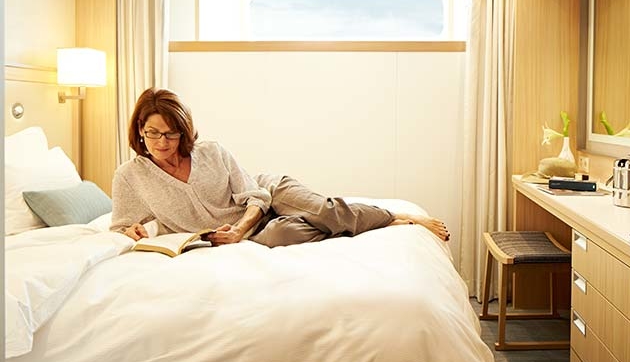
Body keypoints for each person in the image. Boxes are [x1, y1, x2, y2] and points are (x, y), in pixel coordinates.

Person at [110, 87, 450, 247]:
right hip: (255, 232)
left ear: (184, 131)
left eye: (171, 133)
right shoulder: (130, 176)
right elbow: (121, 225)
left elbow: (256, 196)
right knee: (284, 236)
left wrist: (239, 230)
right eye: (153, 133)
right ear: (140, 130)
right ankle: (363, 224)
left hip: (267, 195)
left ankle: (394, 217)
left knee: (323, 210)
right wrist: (131, 231)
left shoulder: (211, 152)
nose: (162, 142)